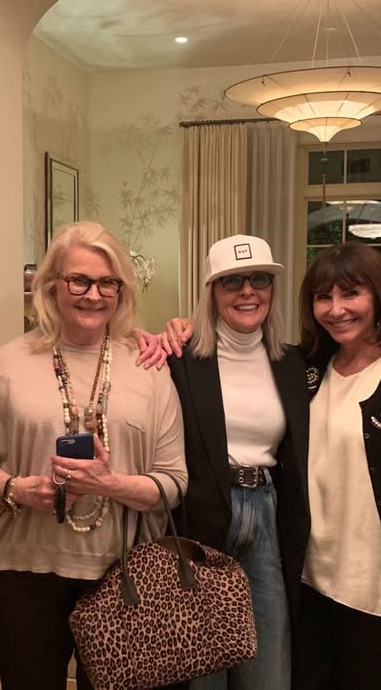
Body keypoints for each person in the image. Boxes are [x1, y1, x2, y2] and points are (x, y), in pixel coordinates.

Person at [0, 221, 187, 690]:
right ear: (50, 286)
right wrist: (17, 489)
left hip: (122, 573)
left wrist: (108, 483)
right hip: (22, 570)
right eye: (79, 280)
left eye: (108, 282)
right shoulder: (7, 363)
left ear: (122, 290)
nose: (93, 295)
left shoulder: (149, 367)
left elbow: (173, 482)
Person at [162, 234, 310, 690]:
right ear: (213, 293)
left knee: (269, 669)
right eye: (232, 282)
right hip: (204, 514)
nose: (247, 291)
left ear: (272, 288)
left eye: (259, 279)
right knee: (205, 671)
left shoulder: (294, 363)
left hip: (268, 513)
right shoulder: (181, 359)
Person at [296, 241, 381, 690]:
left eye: (351, 294)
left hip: (370, 586)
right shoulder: (308, 369)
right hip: (310, 577)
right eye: (323, 296)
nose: (336, 309)